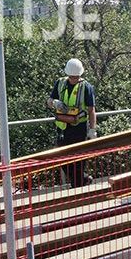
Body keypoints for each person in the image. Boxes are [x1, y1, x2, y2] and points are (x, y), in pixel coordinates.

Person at [47, 58, 97, 187]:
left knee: (79, 159)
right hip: (62, 127)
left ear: (80, 75)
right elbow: (49, 100)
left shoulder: (86, 87)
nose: (73, 79)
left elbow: (91, 110)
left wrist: (92, 130)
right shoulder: (60, 83)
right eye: (71, 76)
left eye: (76, 77)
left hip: (79, 127)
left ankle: (79, 184)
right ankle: (83, 180)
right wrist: (54, 103)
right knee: (61, 157)